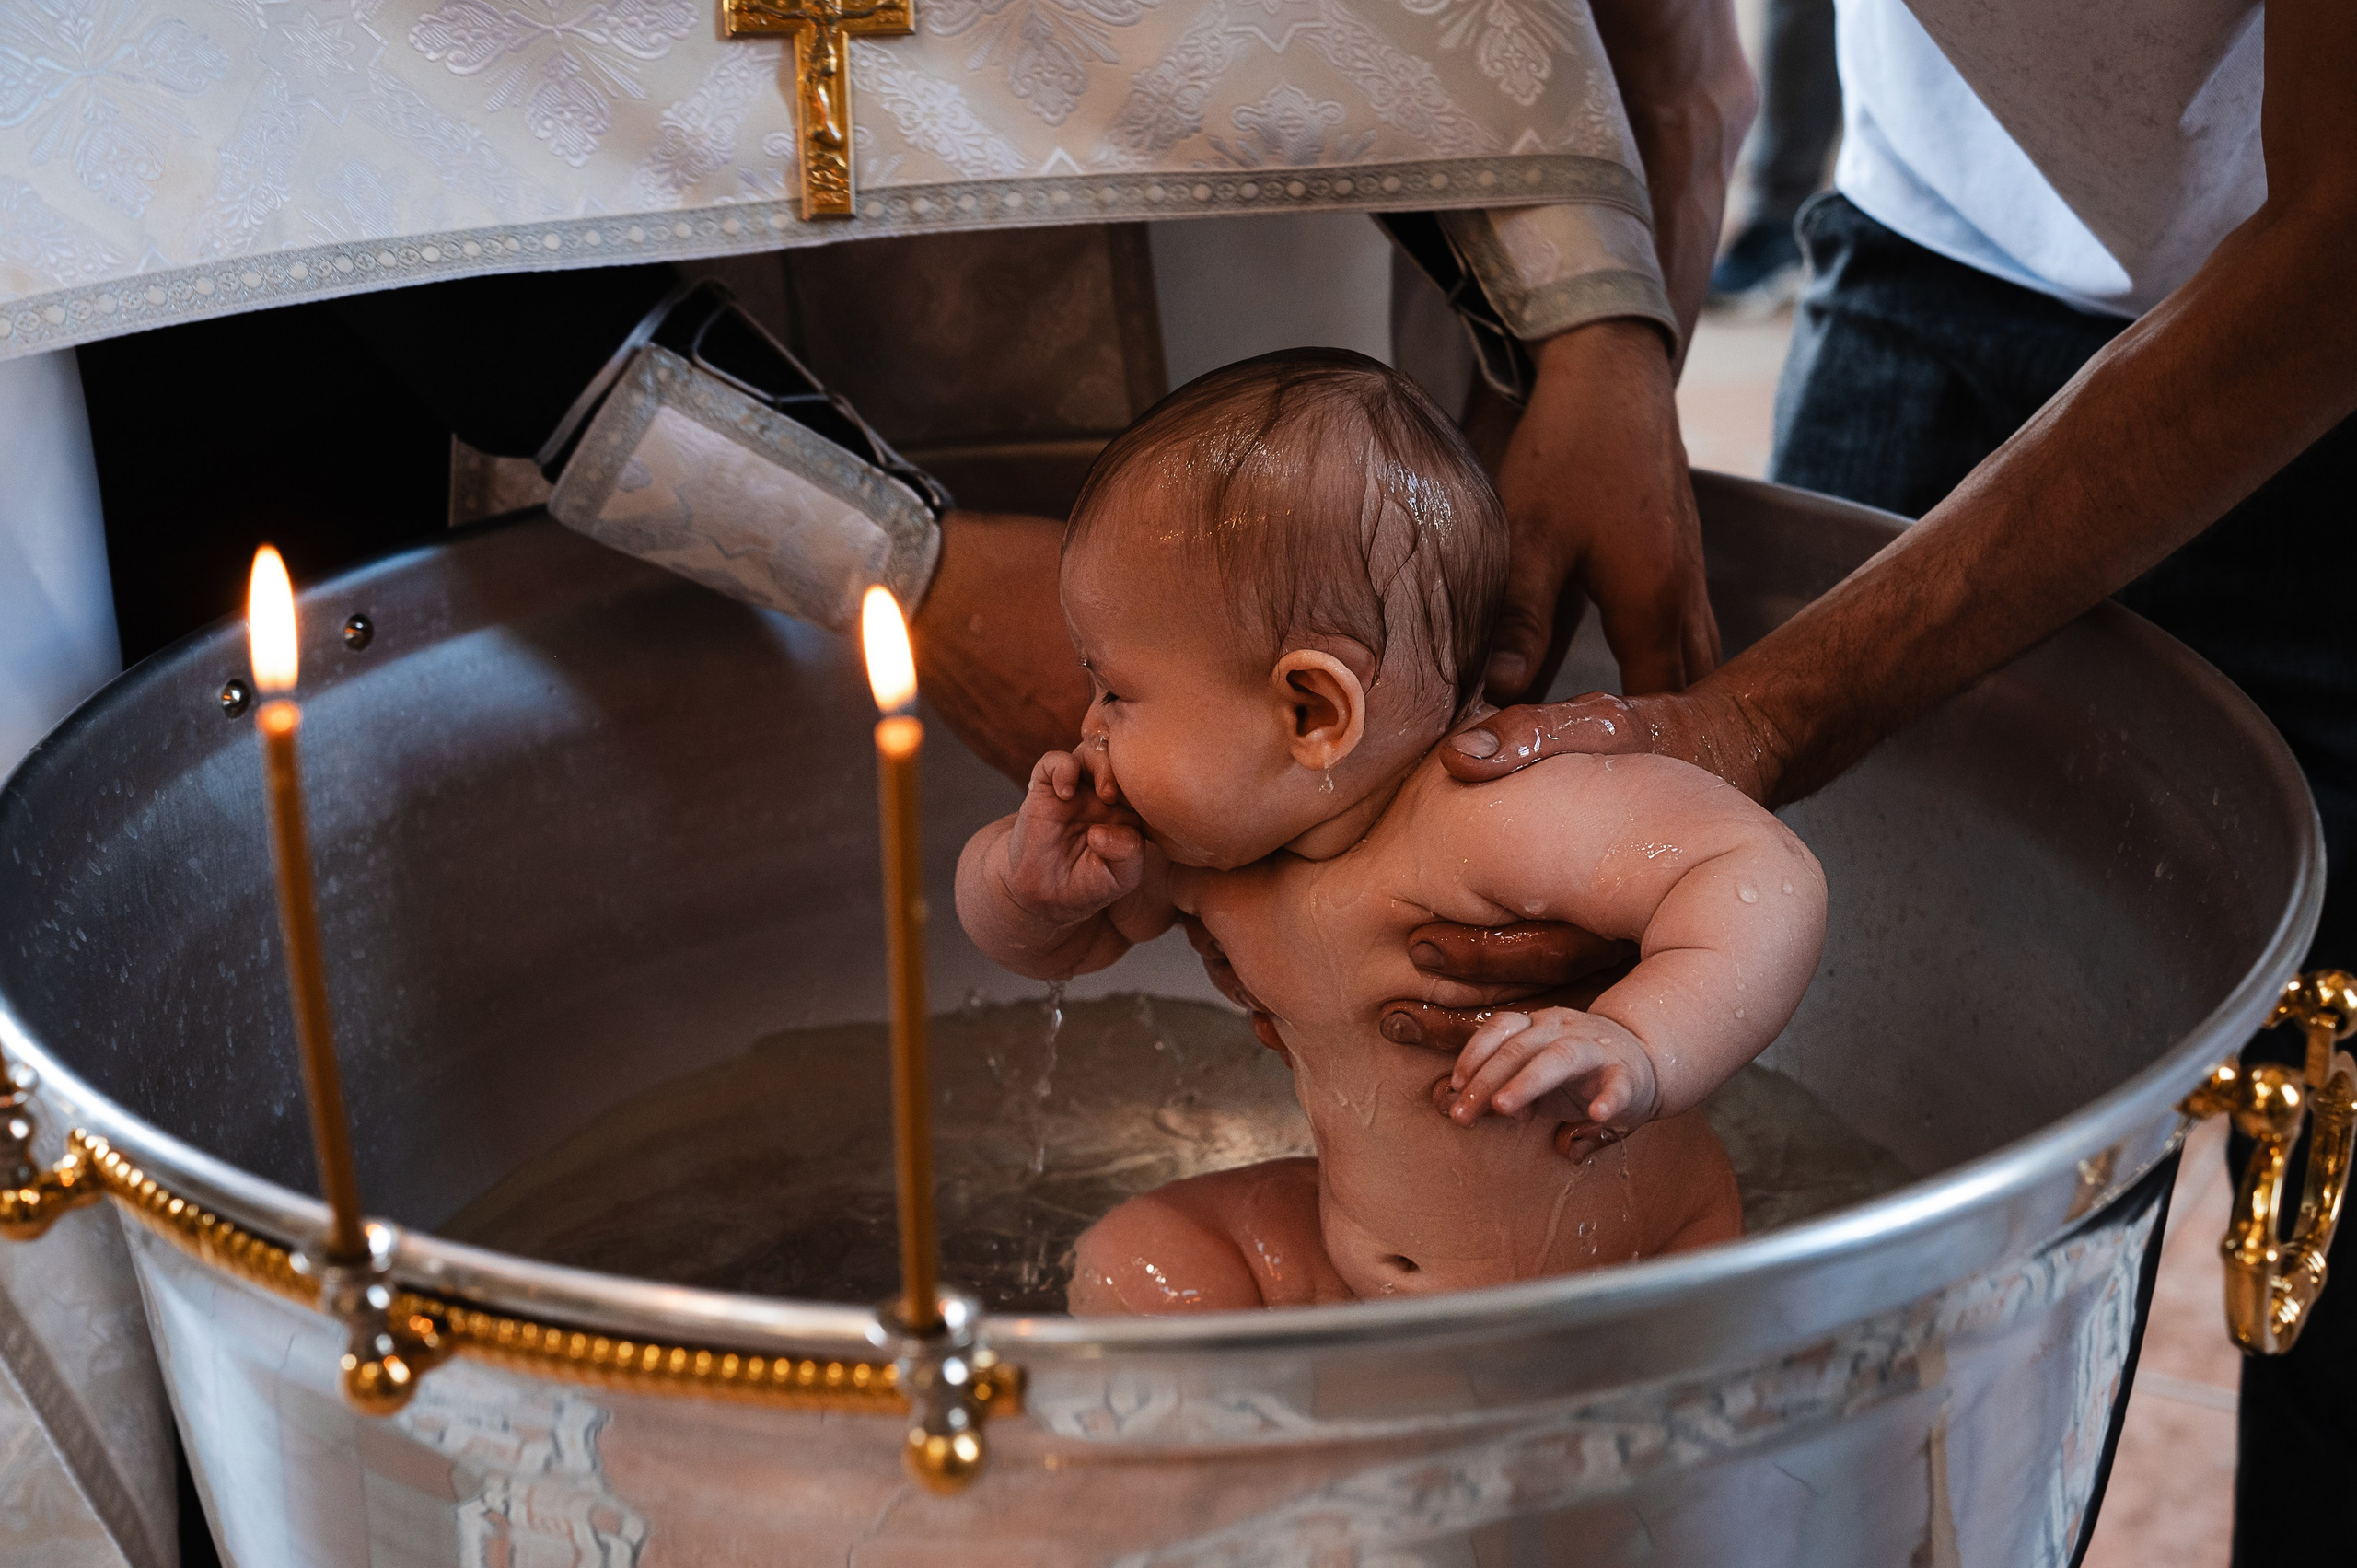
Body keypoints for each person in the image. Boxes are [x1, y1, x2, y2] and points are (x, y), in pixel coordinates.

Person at [1387, 1, 2356, 1558]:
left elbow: (2338, 255)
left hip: (2316, 308)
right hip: (1935, 239)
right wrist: (1606, 336)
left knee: (2341, 1258)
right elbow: (1670, 51)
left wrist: (1776, 708)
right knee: (1840, 1151)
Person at [953, 351, 1822, 1311]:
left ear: (1311, 712)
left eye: (1115, 689)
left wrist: (1640, 1041)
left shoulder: (1486, 817)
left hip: (1618, 1279)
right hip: (1358, 1266)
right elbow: (1054, 946)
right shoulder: (1210, 854)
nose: (1088, 728)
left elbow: (1758, 870)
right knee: (1138, 1258)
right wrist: (1024, 882)